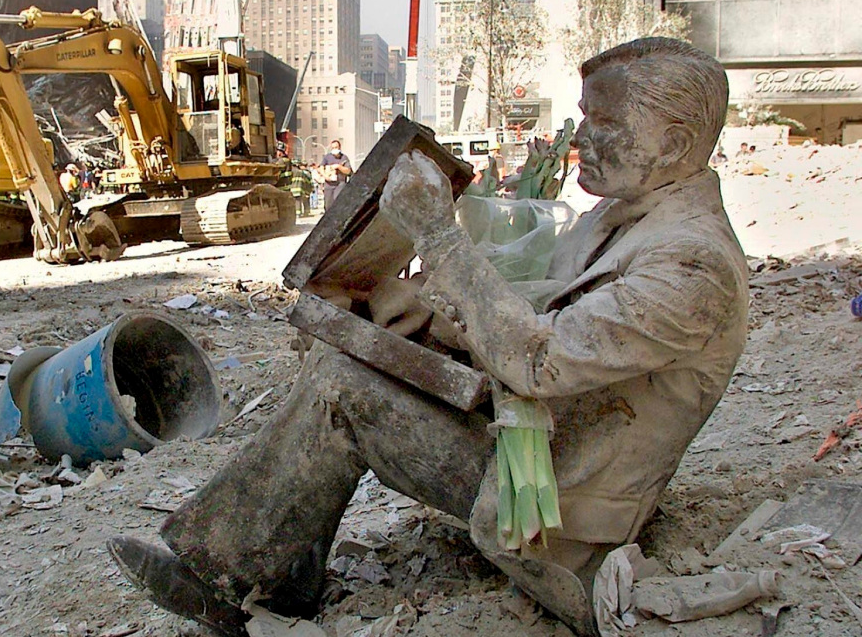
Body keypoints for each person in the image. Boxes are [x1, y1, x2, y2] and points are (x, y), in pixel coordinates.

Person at [106, 38, 750, 637]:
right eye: (585, 116)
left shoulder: (694, 264)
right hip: (534, 447)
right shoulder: (618, 217)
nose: (581, 137)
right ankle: (282, 570)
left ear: (673, 142)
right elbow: (538, 314)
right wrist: (418, 314)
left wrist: (439, 237)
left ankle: (217, 581)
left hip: (561, 506)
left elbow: (540, 361)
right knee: (344, 352)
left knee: (341, 390)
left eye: (603, 123)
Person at [318, 139, 352, 210]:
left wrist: (338, 166)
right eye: (333, 148)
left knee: (338, 202)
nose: (334, 149)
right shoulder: (327, 157)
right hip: (328, 184)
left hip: (340, 184)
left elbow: (348, 171)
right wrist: (325, 176)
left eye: (336, 147)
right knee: (328, 205)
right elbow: (321, 167)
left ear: (339, 148)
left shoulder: (344, 158)